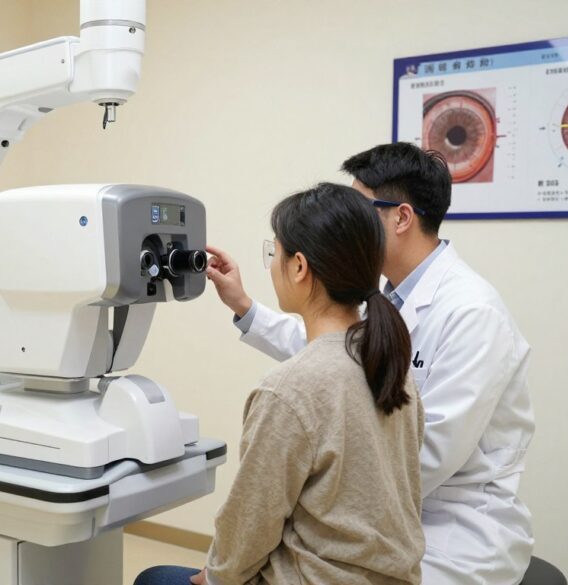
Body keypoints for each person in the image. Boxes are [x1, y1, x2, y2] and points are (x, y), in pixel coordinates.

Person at [207, 143, 535, 584]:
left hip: (451, 533)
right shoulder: (384, 298)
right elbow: (331, 357)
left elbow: (423, 458)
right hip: (382, 525)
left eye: (359, 209)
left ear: (401, 218)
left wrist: (313, 486)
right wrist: (245, 307)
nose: (347, 221)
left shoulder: (473, 313)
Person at [135, 183, 425, 585]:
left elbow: (250, 522)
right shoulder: (389, 362)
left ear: (299, 267)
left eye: (275, 253)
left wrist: (215, 576)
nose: (272, 265)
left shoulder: (288, 390)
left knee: (154, 578)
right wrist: (242, 303)